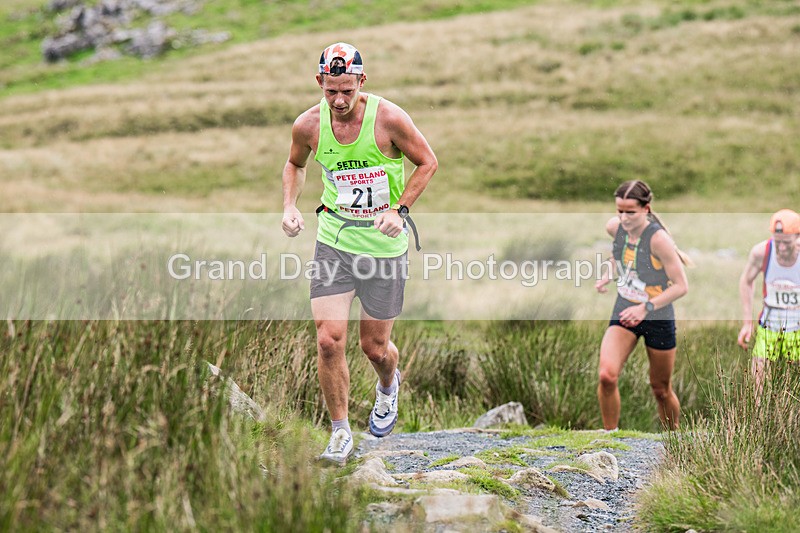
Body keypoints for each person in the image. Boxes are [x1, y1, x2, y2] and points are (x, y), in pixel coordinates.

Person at [281, 43, 438, 464]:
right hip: (334, 242)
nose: (339, 99)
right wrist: (290, 206)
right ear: (320, 83)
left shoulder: (388, 118)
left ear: (361, 82)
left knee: (375, 348)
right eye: (331, 90)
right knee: (329, 340)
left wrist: (399, 210)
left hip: (384, 249)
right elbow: (295, 165)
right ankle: (340, 433)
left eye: (347, 89)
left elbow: (427, 162)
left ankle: (388, 385)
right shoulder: (309, 124)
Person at [595, 180, 690, 431]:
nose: (623, 218)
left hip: (657, 316)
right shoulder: (615, 228)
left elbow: (681, 286)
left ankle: (674, 441)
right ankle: (610, 438)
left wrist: (645, 308)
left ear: (646, 209)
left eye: (630, 212)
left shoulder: (659, 240)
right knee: (607, 375)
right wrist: (608, 272)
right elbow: (620, 256)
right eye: (619, 211)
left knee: (660, 388)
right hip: (625, 311)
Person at [737, 209, 800, 394]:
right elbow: (746, 281)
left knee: (791, 389)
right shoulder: (762, 252)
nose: (780, 247)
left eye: (786, 242)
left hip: (797, 330)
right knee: (758, 386)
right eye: (777, 241)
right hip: (769, 327)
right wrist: (747, 323)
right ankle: (759, 421)